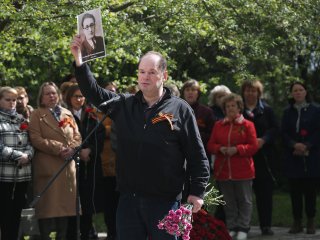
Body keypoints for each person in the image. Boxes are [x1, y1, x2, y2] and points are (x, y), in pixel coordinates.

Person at [71, 36, 210, 240]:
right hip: (129, 201)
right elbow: (94, 93)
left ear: (164, 75)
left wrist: (197, 192)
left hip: (166, 201)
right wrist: (79, 60)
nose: (145, 77)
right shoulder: (124, 104)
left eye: (152, 72)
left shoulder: (181, 109)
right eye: (141, 72)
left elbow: (197, 155)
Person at [28, 82, 82, 240]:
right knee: (47, 209)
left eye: (54, 93)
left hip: (67, 168)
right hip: (48, 167)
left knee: (65, 210)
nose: (51, 96)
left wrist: (72, 149)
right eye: (47, 94)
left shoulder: (67, 113)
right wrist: (59, 148)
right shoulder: (37, 114)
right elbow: (36, 139)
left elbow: (77, 136)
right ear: (42, 98)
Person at [207, 93, 258, 240]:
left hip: (243, 170)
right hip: (223, 171)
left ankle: (243, 227)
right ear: (224, 109)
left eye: (233, 105)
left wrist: (238, 149)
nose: (230, 108)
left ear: (239, 107)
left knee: (244, 200)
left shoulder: (248, 125)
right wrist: (220, 148)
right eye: (227, 106)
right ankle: (232, 227)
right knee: (229, 202)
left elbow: (253, 147)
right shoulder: (218, 125)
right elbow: (210, 145)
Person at [65, 84, 106, 240]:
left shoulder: (91, 115)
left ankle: (87, 233)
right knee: (73, 205)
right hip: (71, 167)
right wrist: (78, 151)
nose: (79, 99)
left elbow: (100, 135)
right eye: (76, 96)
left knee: (87, 205)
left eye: (82, 96)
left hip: (89, 165)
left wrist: (90, 151)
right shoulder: (65, 115)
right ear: (69, 98)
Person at [281, 82, 320, 234]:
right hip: (293, 157)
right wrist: (294, 145)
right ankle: (297, 221)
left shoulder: (316, 110)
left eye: (300, 90)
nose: (298, 93)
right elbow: (283, 132)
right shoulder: (287, 112)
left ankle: (311, 221)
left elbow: (318, 131)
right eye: (295, 90)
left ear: (305, 92)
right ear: (291, 94)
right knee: (295, 191)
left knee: (310, 191)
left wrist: (307, 145)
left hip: (312, 157)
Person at [241, 80, 278, 236]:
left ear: (259, 93)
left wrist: (264, 140)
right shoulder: (238, 109)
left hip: (263, 158)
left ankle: (266, 225)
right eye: (247, 90)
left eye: (253, 90)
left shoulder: (267, 110)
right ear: (243, 92)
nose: (250, 93)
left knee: (264, 193)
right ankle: (243, 226)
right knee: (243, 195)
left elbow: (276, 128)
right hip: (243, 158)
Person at [0, 87, 34, 240]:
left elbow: (31, 143)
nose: (12, 103)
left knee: (16, 214)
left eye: (14, 100)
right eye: (8, 99)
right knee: (4, 214)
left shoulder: (22, 119)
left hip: (22, 175)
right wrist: (18, 155)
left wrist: (28, 155)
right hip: (4, 175)